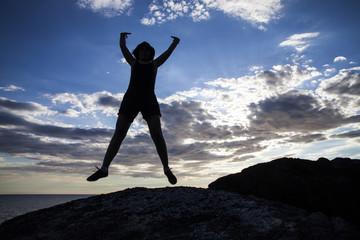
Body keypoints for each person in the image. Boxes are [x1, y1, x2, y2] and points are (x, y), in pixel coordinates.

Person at [87, 32, 180, 185]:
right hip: (131, 99)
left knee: (157, 133)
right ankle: (104, 169)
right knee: (119, 133)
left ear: (150, 53)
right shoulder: (133, 63)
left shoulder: (154, 64)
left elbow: (167, 54)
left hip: (149, 99)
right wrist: (122, 37)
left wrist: (175, 43)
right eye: (142, 49)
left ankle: (166, 169)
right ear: (138, 52)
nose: (144, 52)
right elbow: (123, 48)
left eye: (147, 50)